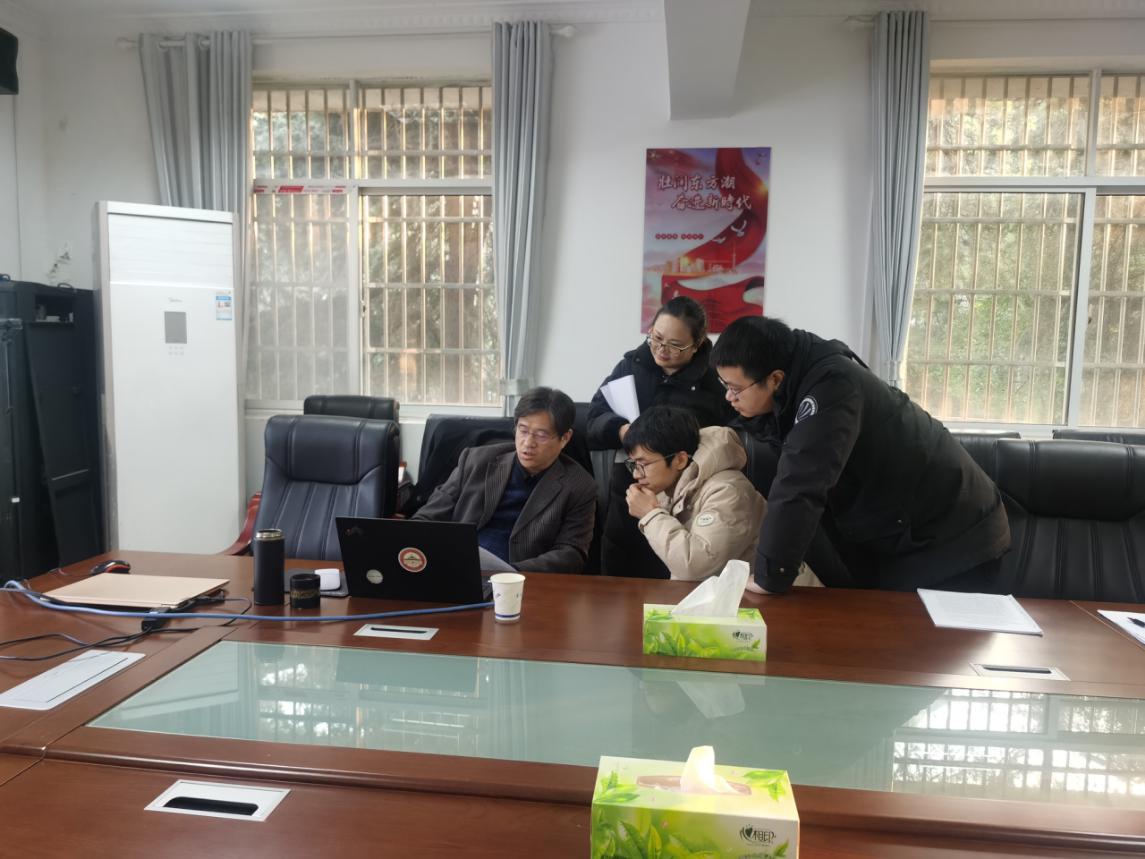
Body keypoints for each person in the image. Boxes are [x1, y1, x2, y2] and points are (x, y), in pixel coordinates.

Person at [710, 315, 1010, 595]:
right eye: (725, 386)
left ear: (775, 379)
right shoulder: (794, 374)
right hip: (903, 529)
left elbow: (800, 482)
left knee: (928, 634)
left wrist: (770, 576)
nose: (728, 397)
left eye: (735, 389)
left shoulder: (832, 388)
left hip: (955, 534)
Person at [588, 296, 735, 576]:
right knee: (619, 570)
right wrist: (622, 431)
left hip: (684, 493)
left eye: (676, 345)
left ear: (697, 344)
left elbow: (729, 437)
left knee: (670, 571)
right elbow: (594, 419)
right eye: (656, 338)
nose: (662, 350)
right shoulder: (631, 365)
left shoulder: (715, 380)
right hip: (630, 481)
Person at [413, 386, 597, 573]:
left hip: (521, 579)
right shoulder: (475, 461)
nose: (528, 443)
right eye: (523, 430)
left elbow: (571, 553)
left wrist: (510, 573)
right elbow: (427, 517)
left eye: (541, 435)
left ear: (565, 438)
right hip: (458, 568)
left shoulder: (579, 486)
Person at [621, 406, 764, 581]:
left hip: (757, 594)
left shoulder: (728, 492)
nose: (636, 474)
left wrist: (651, 516)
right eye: (633, 464)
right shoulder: (667, 488)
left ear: (680, 460)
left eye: (643, 464)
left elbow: (695, 567)